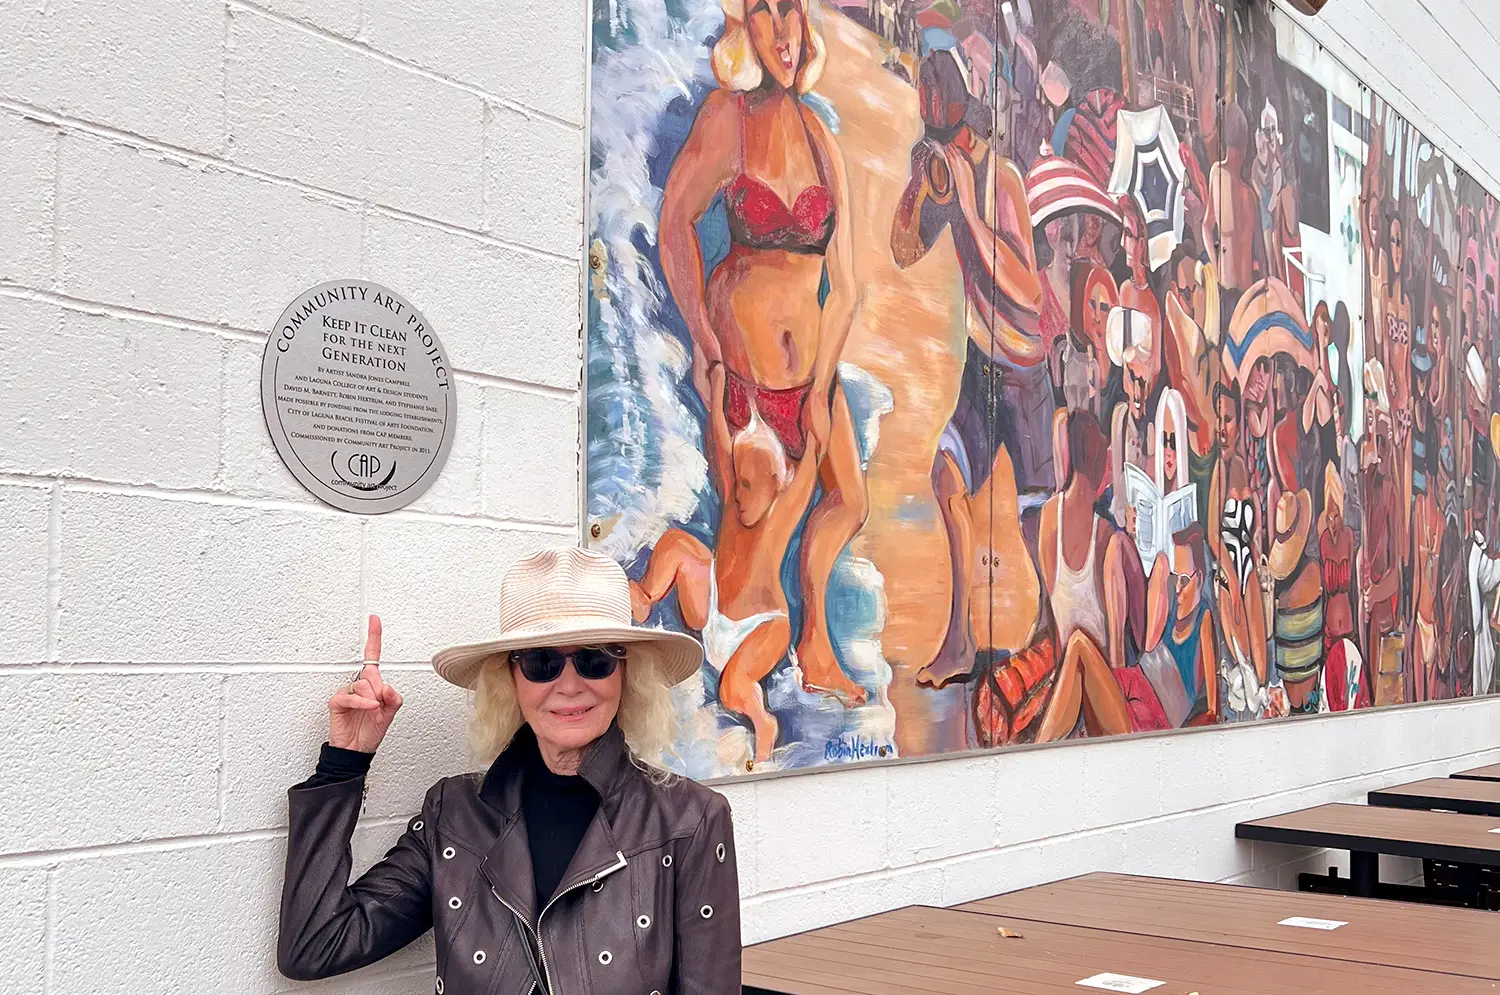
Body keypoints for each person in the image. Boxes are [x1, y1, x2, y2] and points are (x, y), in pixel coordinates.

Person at [278, 547, 740, 994]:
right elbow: (315, 946)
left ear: (626, 673)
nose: (570, 685)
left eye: (595, 658)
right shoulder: (453, 814)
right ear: (511, 679)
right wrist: (345, 764)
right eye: (542, 662)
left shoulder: (690, 820)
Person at [659, 0, 867, 705]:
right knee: (747, 540)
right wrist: (701, 334)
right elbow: (674, 224)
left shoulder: (818, 137)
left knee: (848, 502)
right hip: (744, 374)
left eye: (792, 13)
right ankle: (723, 651)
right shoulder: (730, 119)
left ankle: (812, 649)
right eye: (765, 12)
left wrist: (820, 387)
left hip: (811, 377)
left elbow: (848, 286)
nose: (783, 31)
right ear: (743, 25)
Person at [890, 47, 1046, 689]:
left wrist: (970, 216)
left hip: (1025, 372)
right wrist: (919, 186)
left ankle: (1050, 635)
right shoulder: (948, 174)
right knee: (945, 479)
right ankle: (960, 640)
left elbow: (1028, 289)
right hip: (981, 365)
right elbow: (903, 250)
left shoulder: (1001, 179)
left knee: (1037, 523)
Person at [631, 364, 824, 763]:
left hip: (762, 625)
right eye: (736, 481)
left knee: (733, 687)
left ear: (776, 483)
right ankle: (644, 595)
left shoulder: (784, 509)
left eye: (748, 486)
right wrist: (717, 389)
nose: (737, 495)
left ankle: (763, 722)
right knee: (677, 544)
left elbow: (812, 458)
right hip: (712, 606)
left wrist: (818, 409)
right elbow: (720, 442)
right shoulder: (734, 494)